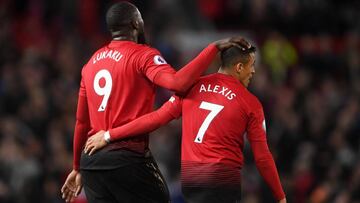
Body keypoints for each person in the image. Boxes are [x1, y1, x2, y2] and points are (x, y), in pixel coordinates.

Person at [60, 1, 248, 203]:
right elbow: (178, 83)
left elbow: (81, 122)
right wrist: (213, 48)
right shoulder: (143, 55)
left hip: (92, 162)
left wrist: (76, 167)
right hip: (127, 156)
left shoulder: (91, 64)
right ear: (135, 23)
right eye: (141, 18)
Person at [85, 42, 287, 202]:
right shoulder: (251, 103)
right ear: (239, 67)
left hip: (192, 180)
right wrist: (280, 197)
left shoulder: (193, 87)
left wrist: (110, 135)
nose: (253, 72)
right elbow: (262, 157)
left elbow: (155, 118)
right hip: (222, 181)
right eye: (252, 66)